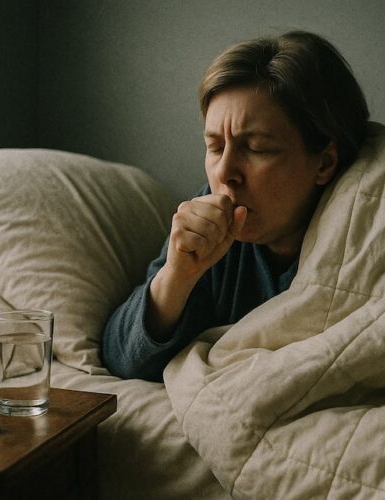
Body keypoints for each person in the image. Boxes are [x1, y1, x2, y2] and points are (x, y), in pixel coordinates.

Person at [102, 30, 370, 381]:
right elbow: (120, 358)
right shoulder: (210, 224)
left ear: (324, 163)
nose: (225, 173)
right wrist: (176, 277)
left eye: (256, 148)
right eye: (215, 147)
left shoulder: (365, 227)